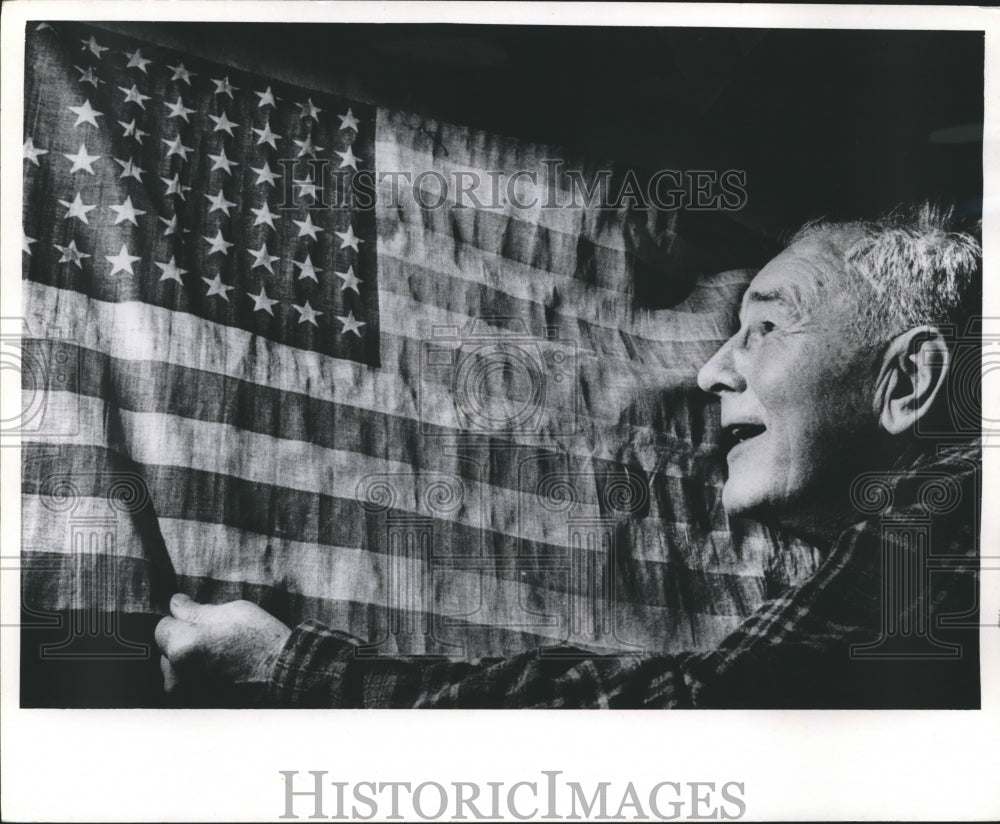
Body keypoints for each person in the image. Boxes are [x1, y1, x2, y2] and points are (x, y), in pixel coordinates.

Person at [154, 203, 982, 708]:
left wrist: (289, 666)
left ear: (907, 378)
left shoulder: (948, 519)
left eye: (765, 327)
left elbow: (689, 715)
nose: (711, 370)